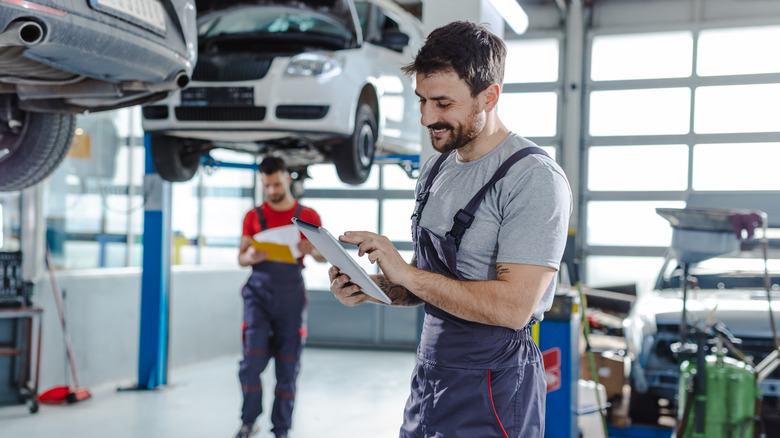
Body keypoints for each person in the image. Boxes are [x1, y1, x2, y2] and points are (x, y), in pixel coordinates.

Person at [328, 21, 572, 437]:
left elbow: (513, 309)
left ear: (489, 97)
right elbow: (428, 285)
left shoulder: (532, 179)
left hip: (495, 387)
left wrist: (403, 271)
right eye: (422, 100)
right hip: (431, 378)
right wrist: (374, 288)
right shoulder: (436, 169)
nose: (427, 118)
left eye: (442, 103)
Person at [236, 156, 326, 438]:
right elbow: (240, 257)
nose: (272, 191)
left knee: (287, 367)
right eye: (267, 186)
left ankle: (282, 430)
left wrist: (312, 249)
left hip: (290, 295)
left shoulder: (308, 216)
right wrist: (249, 255)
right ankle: (249, 421)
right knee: (251, 365)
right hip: (258, 296)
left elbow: (325, 256)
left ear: (288, 178)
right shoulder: (253, 217)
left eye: (276, 184)